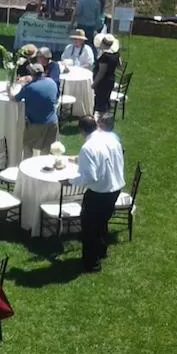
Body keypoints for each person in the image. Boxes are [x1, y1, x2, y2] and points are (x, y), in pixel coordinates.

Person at [67, 116, 125, 272]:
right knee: (101, 222)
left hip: (99, 192)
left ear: (81, 130)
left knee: (89, 227)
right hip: (115, 188)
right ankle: (101, 251)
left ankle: (91, 263)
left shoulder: (88, 147)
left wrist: (70, 182)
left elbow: (90, 177)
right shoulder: (111, 138)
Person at [9, 63, 59, 159]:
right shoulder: (52, 82)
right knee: (46, 148)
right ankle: (43, 167)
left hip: (36, 124)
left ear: (31, 74)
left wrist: (9, 91)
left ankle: (28, 168)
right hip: (53, 122)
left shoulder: (29, 88)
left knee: (27, 146)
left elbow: (15, 99)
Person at [92, 33, 121, 115]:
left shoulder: (105, 57)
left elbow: (102, 72)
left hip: (103, 82)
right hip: (111, 79)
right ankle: (105, 117)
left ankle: (101, 118)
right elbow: (119, 65)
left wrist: (94, 84)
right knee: (106, 99)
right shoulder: (116, 54)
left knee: (100, 101)